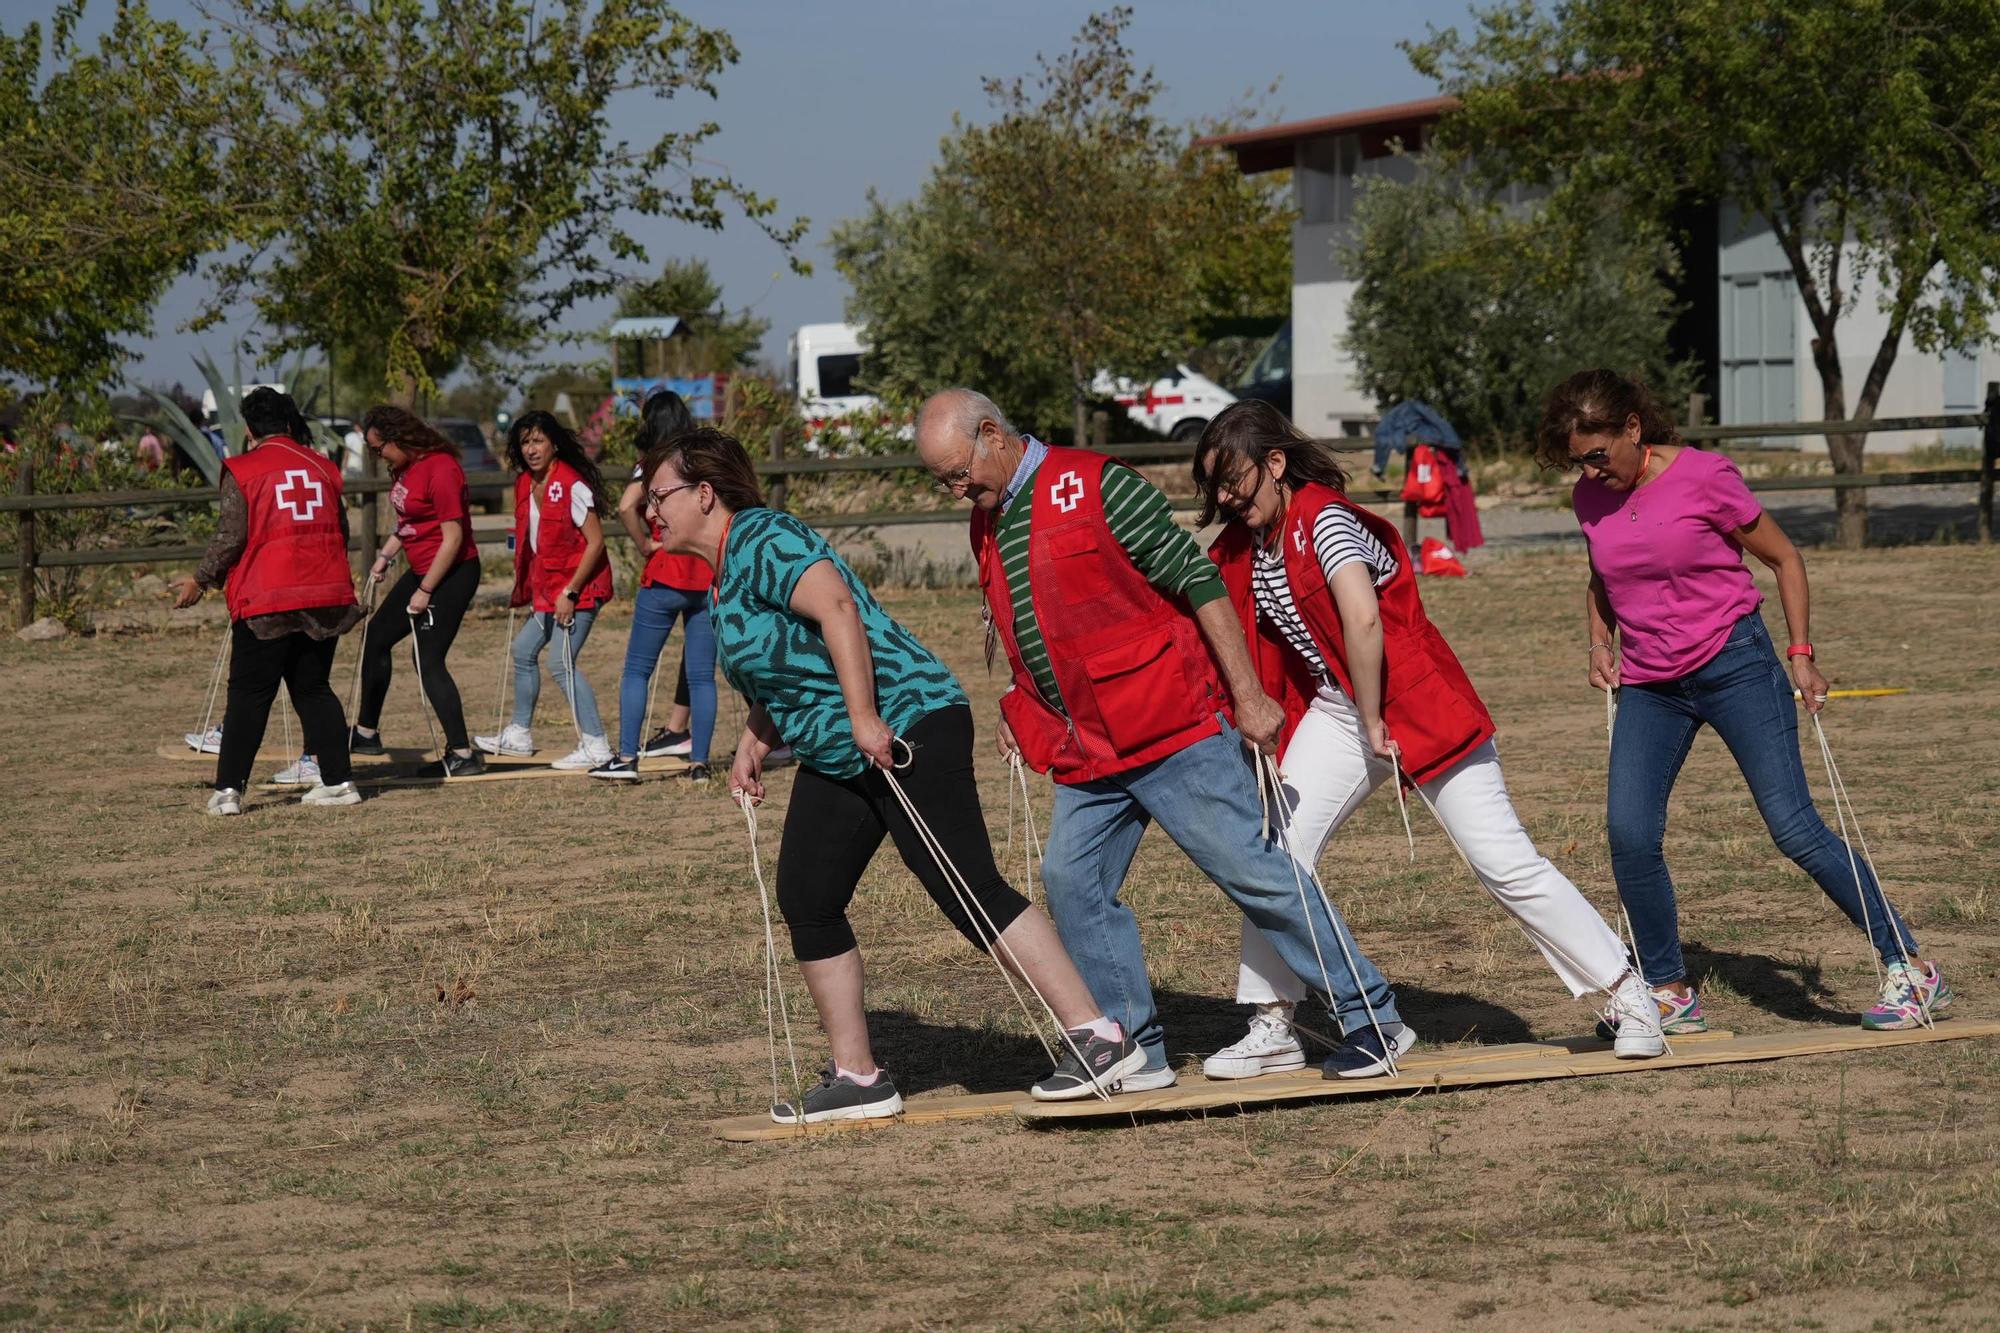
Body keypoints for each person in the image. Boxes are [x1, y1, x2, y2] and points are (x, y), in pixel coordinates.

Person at [640, 424, 1143, 1121]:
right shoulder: (725, 574)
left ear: (703, 492)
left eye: (657, 495)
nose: (649, 511)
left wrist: (866, 716)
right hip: (844, 749)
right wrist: (755, 737)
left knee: (966, 885)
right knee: (808, 894)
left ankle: (1099, 1036)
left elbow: (838, 609)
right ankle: (859, 1075)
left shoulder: (762, 536)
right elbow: (788, 664)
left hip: (908, 721)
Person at [915, 387, 1411, 1082]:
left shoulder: (1098, 483)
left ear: (991, 433)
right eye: (941, 480)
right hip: (1089, 745)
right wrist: (1020, 703)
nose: (955, 487)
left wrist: (1248, 696)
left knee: (1255, 872)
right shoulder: (989, 520)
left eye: (956, 471)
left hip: (1171, 722)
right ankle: (1134, 1046)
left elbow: (1198, 579)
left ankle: (1373, 1017)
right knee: (1071, 878)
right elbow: (1038, 624)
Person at [1194, 401, 1665, 1074]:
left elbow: (1363, 620)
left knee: (1503, 861)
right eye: (1215, 485)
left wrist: (1375, 715)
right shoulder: (1252, 540)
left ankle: (1629, 995)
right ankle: (1274, 1023)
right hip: (1339, 711)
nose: (1225, 497)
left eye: (1233, 479)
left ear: (1275, 463)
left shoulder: (1324, 518)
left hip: (1414, 704)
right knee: (1274, 852)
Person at [1539, 368, 1956, 1032]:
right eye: (1578, 461)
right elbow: (1603, 573)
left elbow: (1785, 558)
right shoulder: (1588, 498)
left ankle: (1910, 965)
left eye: (1599, 454)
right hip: (1651, 684)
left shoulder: (1703, 476)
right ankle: (1669, 989)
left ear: (1632, 429)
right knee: (1629, 832)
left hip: (1737, 665)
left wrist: (1801, 651)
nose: (1592, 471)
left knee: (1793, 827)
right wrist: (1598, 641)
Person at [168, 388, 364, 814]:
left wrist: (201, 580)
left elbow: (230, 536)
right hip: (325, 594)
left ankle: (228, 792)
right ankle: (339, 781)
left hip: (268, 597)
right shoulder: (325, 468)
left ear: (250, 429)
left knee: (249, 694)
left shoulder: (243, 470)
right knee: (313, 688)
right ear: (291, 424)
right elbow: (341, 531)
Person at [475, 411, 614, 770]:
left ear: (554, 444)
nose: (531, 449)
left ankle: (597, 745)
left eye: (538, 441)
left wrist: (570, 592)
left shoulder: (572, 484)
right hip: (548, 592)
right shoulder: (524, 483)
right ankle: (520, 734)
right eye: (525, 442)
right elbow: (530, 539)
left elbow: (596, 543)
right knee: (523, 651)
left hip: (578, 590)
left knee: (560, 662)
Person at [351, 406, 485, 778]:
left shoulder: (441, 469)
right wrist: (385, 557)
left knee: (426, 658)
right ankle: (366, 733)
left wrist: (426, 589)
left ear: (400, 438)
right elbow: (409, 523)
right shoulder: (405, 468)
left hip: (454, 572)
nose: (378, 457)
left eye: (380, 449)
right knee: (376, 637)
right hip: (423, 569)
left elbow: (453, 538)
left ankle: (461, 753)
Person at [591, 391, 718, 782]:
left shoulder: (650, 464)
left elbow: (627, 505)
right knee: (702, 676)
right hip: (705, 575)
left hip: (664, 574)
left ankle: (627, 758)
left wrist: (645, 543)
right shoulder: (703, 462)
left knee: (636, 670)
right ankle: (699, 763)